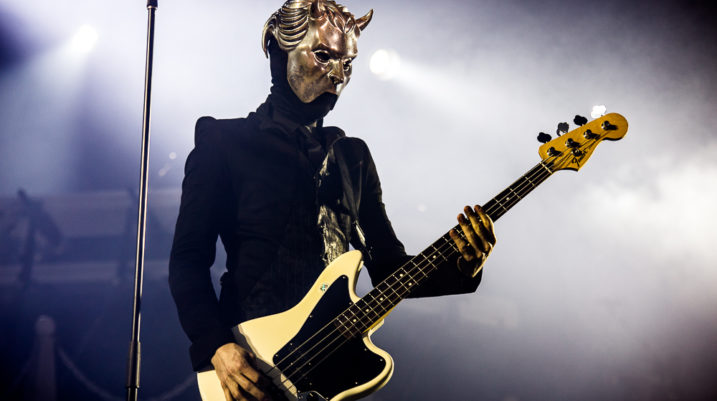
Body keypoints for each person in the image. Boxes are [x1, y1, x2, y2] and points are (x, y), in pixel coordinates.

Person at [168, 1, 497, 400]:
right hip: (254, 364)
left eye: (348, 62)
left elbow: (389, 268)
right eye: (323, 55)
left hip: (330, 368)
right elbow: (188, 260)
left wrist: (462, 265)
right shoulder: (225, 143)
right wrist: (216, 345)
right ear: (279, 49)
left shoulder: (351, 156)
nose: (338, 74)